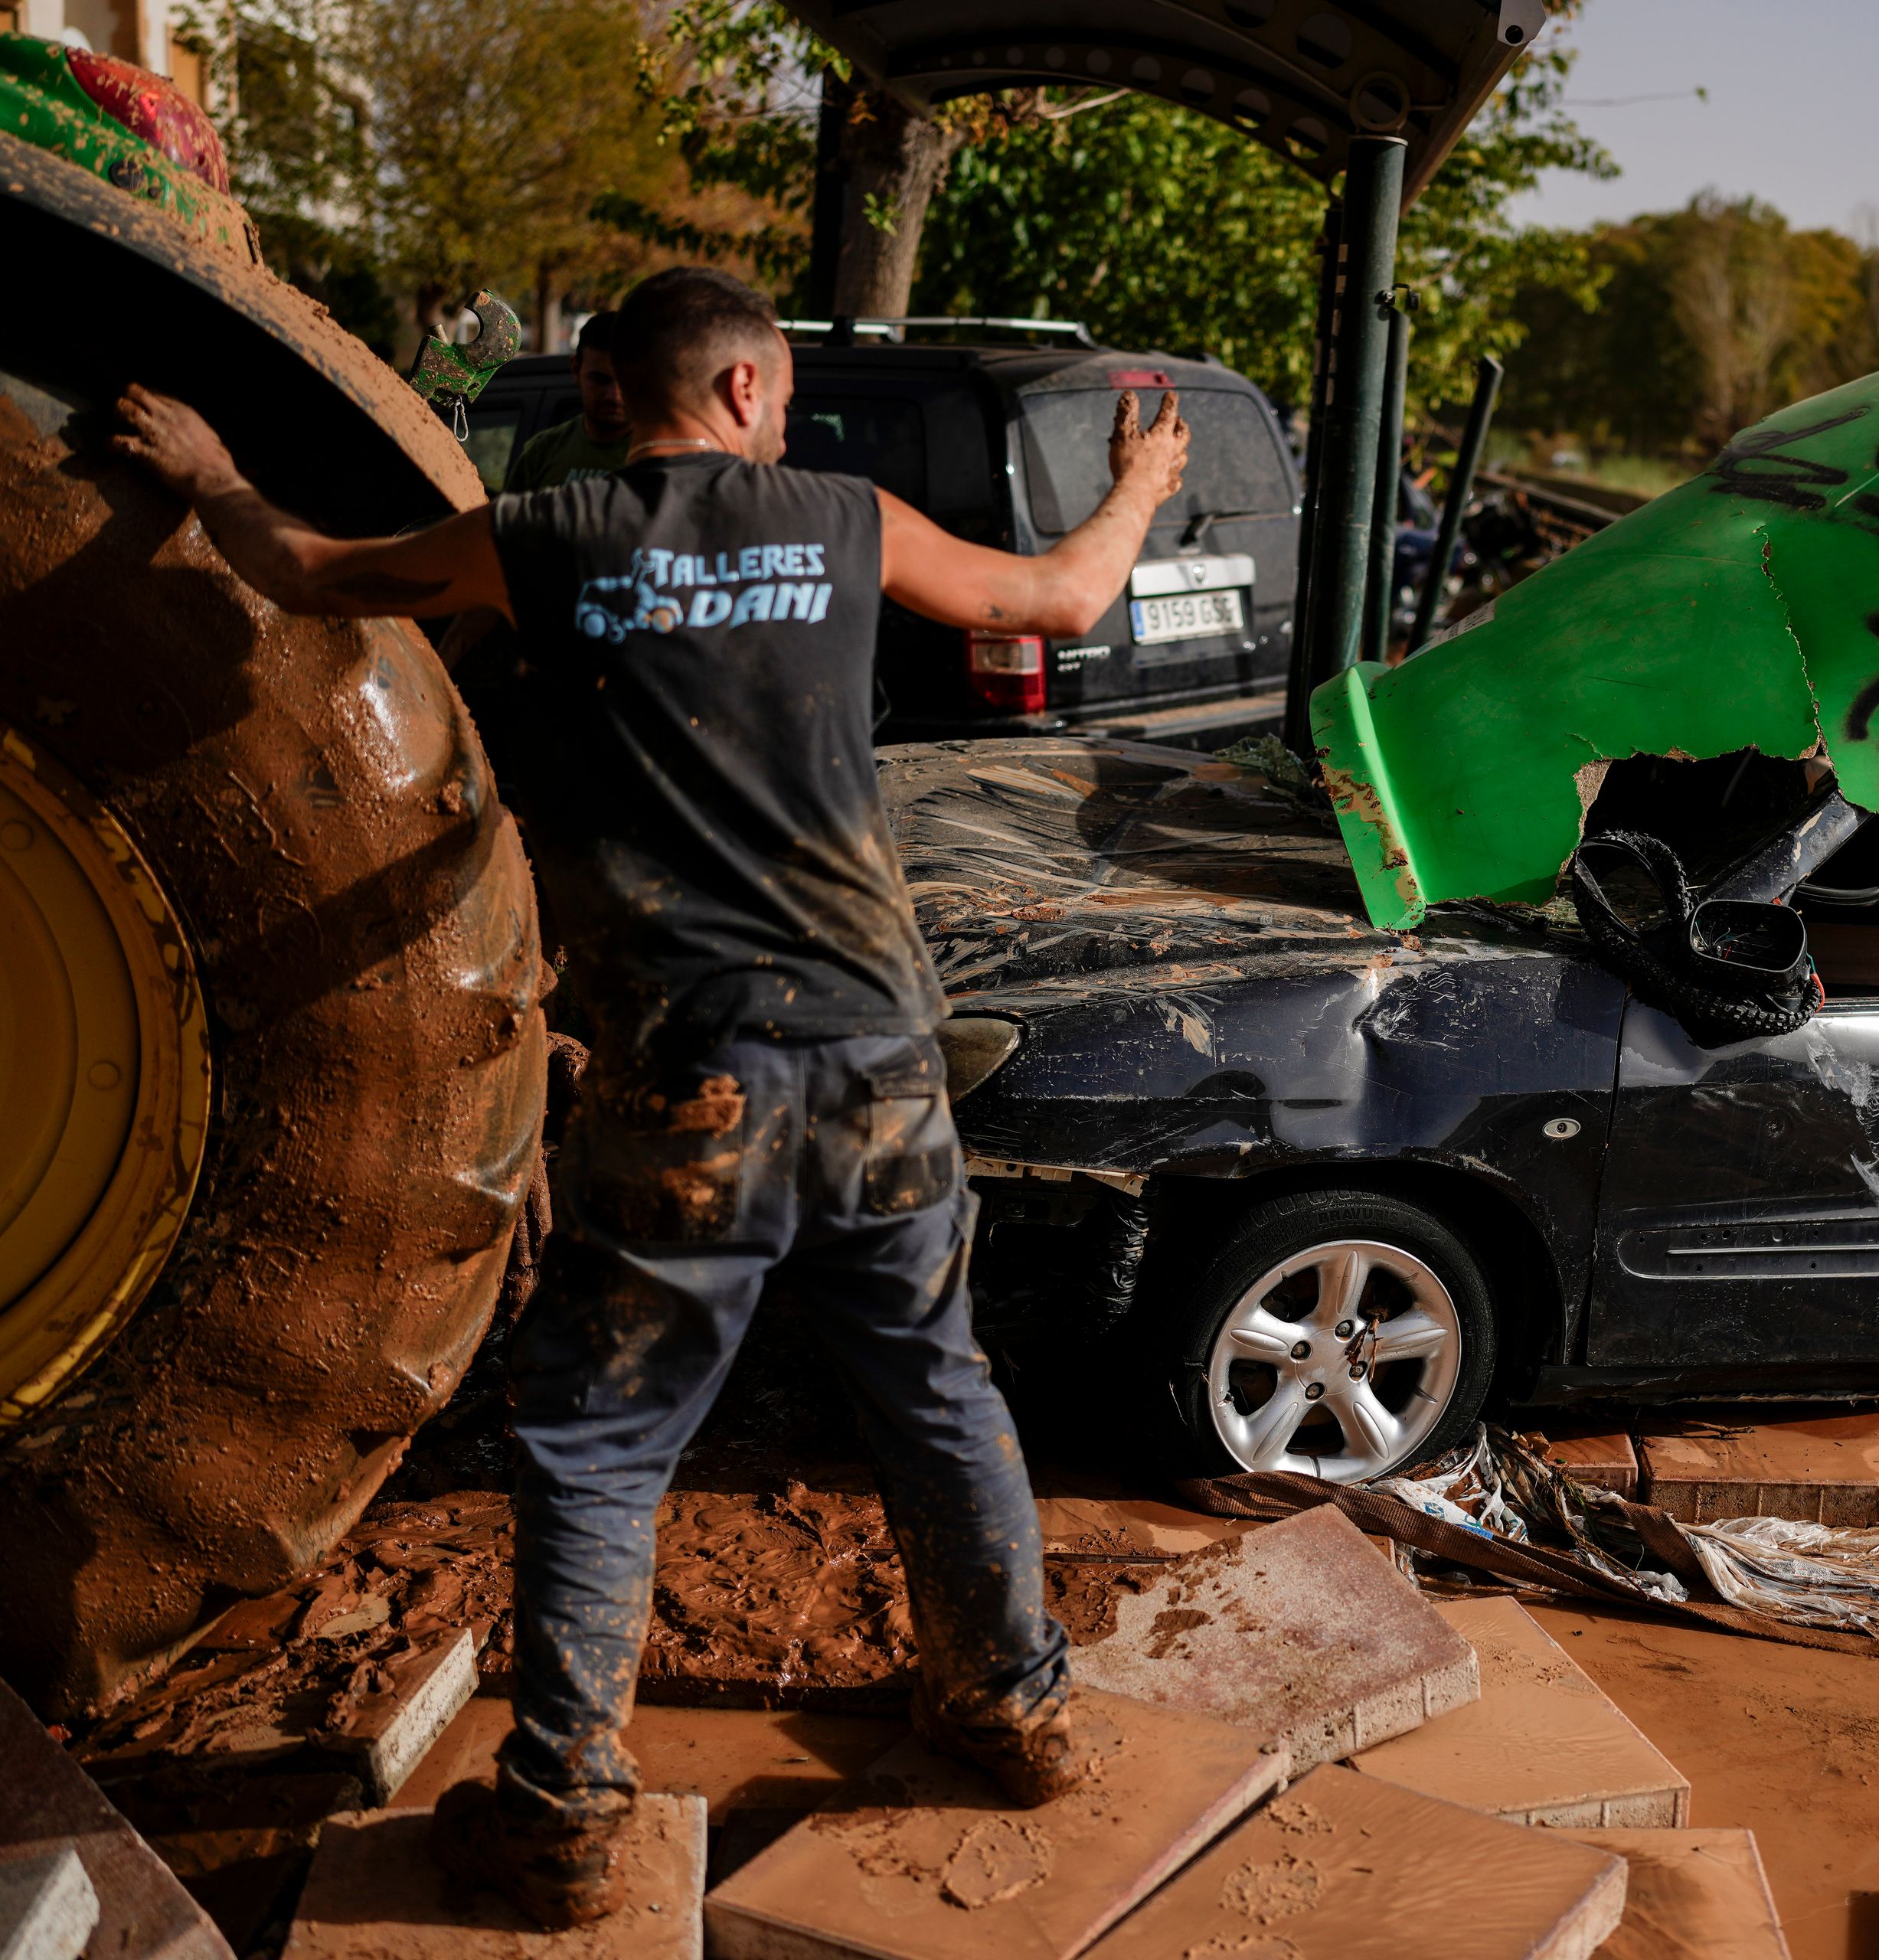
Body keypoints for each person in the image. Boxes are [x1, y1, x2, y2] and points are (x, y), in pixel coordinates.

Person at [112, 266, 1190, 1929]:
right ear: (756, 394)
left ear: (611, 394)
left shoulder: (548, 535)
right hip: (885, 1065)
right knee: (934, 1388)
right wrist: (1138, 483)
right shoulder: (843, 516)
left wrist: (205, 471)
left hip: (694, 1081)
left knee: (608, 1445)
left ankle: (559, 1809)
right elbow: (1055, 602)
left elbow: (311, 573)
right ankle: (1015, 1704)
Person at [505, 311, 632, 489]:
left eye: (625, 380)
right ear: (576, 369)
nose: (614, 395)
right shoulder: (543, 451)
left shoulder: (665, 455)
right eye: (600, 380)